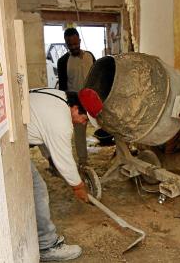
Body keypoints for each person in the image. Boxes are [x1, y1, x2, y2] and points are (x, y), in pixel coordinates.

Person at [28, 88, 102, 261]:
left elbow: (41, 131)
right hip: (8, 142)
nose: (83, 124)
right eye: (84, 119)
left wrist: (51, 161)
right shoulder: (61, 122)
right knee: (38, 192)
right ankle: (47, 246)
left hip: (12, 133)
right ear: (76, 109)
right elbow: (65, 159)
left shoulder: (58, 97)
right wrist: (78, 187)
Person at [57, 28, 96, 167]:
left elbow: (96, 77)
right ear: (66, 44)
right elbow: (62, 87)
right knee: (79, 132)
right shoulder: (63, 61)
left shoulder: (90, 56)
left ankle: (121, 152)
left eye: (75, 44)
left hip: (92, 98)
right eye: (70, 45)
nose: (73, 47)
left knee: (109, 122)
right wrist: (68, 106)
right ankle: (83, 162)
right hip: (75, 100)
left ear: (79, 40)